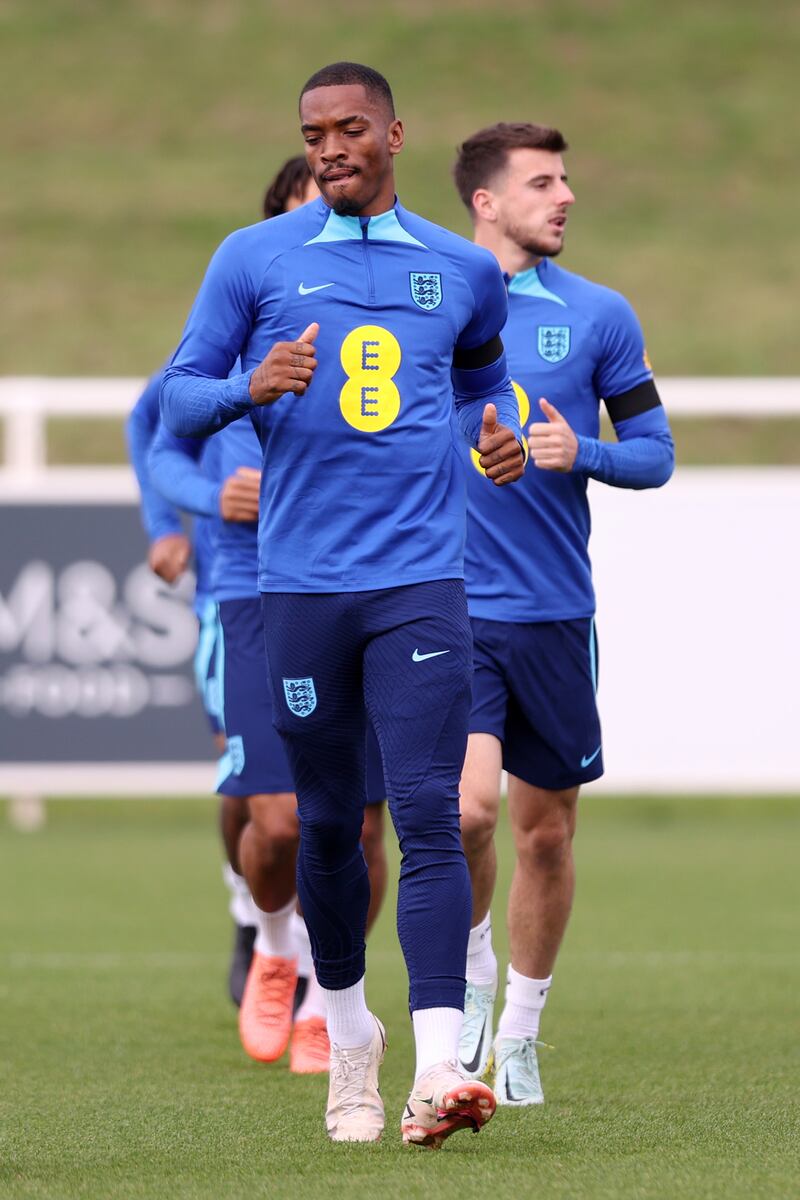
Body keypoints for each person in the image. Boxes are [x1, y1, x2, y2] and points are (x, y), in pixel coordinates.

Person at [161, 62, 525, 1147]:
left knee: (426, 813)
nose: (329, 148)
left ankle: (436, 1069)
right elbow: (177, 395)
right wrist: (248, 387)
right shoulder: (251, 257)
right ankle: (348, 1039)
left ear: (394, 135)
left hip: (420, 583)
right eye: (313, 132)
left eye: (349, 129)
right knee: (327, 824)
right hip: (301, 590)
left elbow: (475, 384)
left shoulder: (461, 269)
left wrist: (492, 434)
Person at [451, 122, 675, 1104]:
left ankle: (523, 1030)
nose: (565, 196)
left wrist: (573, 453)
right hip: (444, 606)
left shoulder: (597, 315)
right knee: (462, 813)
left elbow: (654, 454)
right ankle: (465, 987)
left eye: (566, 180)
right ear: (484, 202)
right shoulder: (427, 304)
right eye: (541, 182)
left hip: (550, 612)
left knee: (542, 833)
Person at [126, 366, 255, 1005]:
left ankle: (318, 975)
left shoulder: (362, 320)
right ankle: (251, 911)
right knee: (248, 782)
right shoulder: (222, 335)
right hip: (234, 592)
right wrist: (169, 523)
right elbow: (147, 419)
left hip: (338, 591)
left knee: (339, 798)